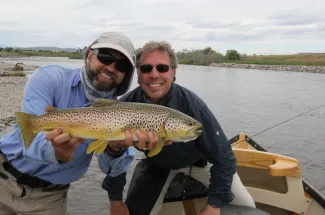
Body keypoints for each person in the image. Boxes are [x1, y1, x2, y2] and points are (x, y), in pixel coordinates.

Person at [0, 32, 159, 215]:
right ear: (90, 55)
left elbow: (110, 168)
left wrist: (115, 148)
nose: (111, 67)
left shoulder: (120, 112)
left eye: (122, 65)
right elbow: (29, 144)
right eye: (105, 57)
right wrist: (56, 151)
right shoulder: (49, 77)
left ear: (127, 74)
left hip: (50, 199)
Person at [102, 41, 256, 215]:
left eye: (162, 68)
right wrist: (115, 199)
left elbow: (224, 158)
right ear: (138, 75)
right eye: (146, 68)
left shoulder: (194, 106)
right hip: (159, 165)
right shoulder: (126, 105)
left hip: (201, 164)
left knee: (247, 207)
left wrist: (214, 205)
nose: (154, 74)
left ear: (173, 73)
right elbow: (113, 160)